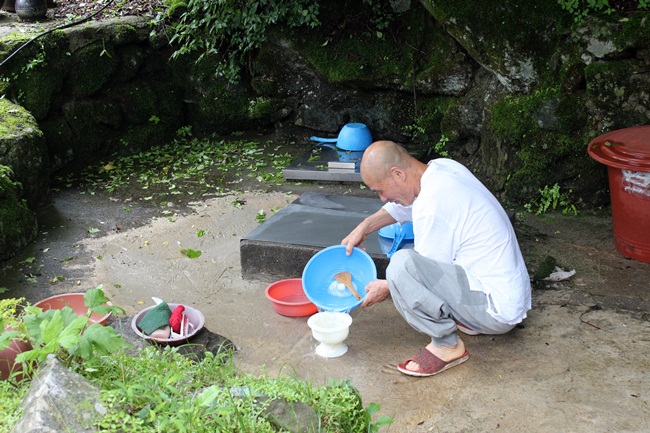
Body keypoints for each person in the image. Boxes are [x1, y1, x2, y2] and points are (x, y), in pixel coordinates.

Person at [342, 140, 531, 377]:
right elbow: (405, 207)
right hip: (505, 293)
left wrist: (386, 287)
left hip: (496, 310)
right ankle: (465, 319)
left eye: (380, 190)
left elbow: (419, 278)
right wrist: (365, 226)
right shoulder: (441, 169)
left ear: (398, 174)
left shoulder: (433, 205)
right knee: (404, 271)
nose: (382, 198)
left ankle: (447, 345)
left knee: (400, 268)